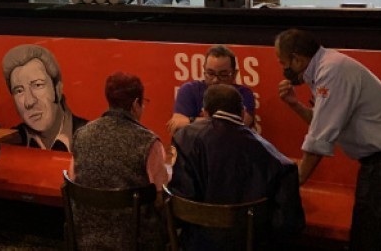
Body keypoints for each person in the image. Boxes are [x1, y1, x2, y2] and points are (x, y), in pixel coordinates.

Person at [275, 29, 381, 251]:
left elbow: (320, 137)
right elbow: (325, 121)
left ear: (297, 59)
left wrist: (294, 182)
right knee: (375, 238)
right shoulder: (326, 67)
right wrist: (294, 104)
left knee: (377, 241)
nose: (284, 70)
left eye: (283, 63)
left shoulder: (332, 71)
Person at [170, 84, 304, 250]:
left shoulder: (185, 137)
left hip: (198, 244)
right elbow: (288, 224)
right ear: (242, 113)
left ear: (205, 113)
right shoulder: (274, 157)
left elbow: (180, 202)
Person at [70, 72, 170, 250]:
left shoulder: (81, 134)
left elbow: (75, 180)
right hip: (135, 241)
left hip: (86, 236)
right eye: (143, 103)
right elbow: (160, 199)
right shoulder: (148, 142)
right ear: (135, 105)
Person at [2, 43, 88, 151]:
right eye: (19, 91)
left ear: (58, 89)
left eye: (38, 85)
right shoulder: (12, 142)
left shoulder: (90, 138)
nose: (29, 102)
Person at [167, 45, 254, 134]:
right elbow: (177, 125)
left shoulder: (243, 94)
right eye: (211, 73)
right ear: (204, 70)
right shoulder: (189, 90)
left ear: (234, 74)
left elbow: (239, 127)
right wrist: (220, 122)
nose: (215, 80)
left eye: (223, 75)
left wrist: (191, 121)